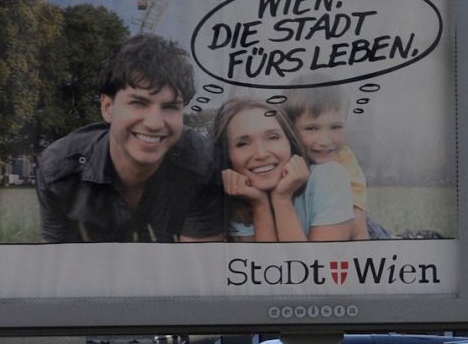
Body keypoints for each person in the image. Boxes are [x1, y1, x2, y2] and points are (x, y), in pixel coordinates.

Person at [36, 33, 229, 243]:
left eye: (170, 107)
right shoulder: (58, 170)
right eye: (138, 103)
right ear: (108, 107)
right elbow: (63, 264)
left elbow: (196, 266)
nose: (154, 123)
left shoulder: (204, 163)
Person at [213, 97, 355, 242]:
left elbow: (317, 264)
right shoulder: (236, 193)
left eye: (273, 137)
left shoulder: (328, 176)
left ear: (290, 142)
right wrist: (260, 205)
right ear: (227, 155)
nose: (261, 154)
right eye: (243, 144)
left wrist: (282, 200)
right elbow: (267, 263)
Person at [286, 91, 374, 239]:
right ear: (289, 128)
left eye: (335, 127)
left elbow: (359, 229)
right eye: (312, 128)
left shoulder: (344, 162)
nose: (325, 141)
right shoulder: (283, 156)